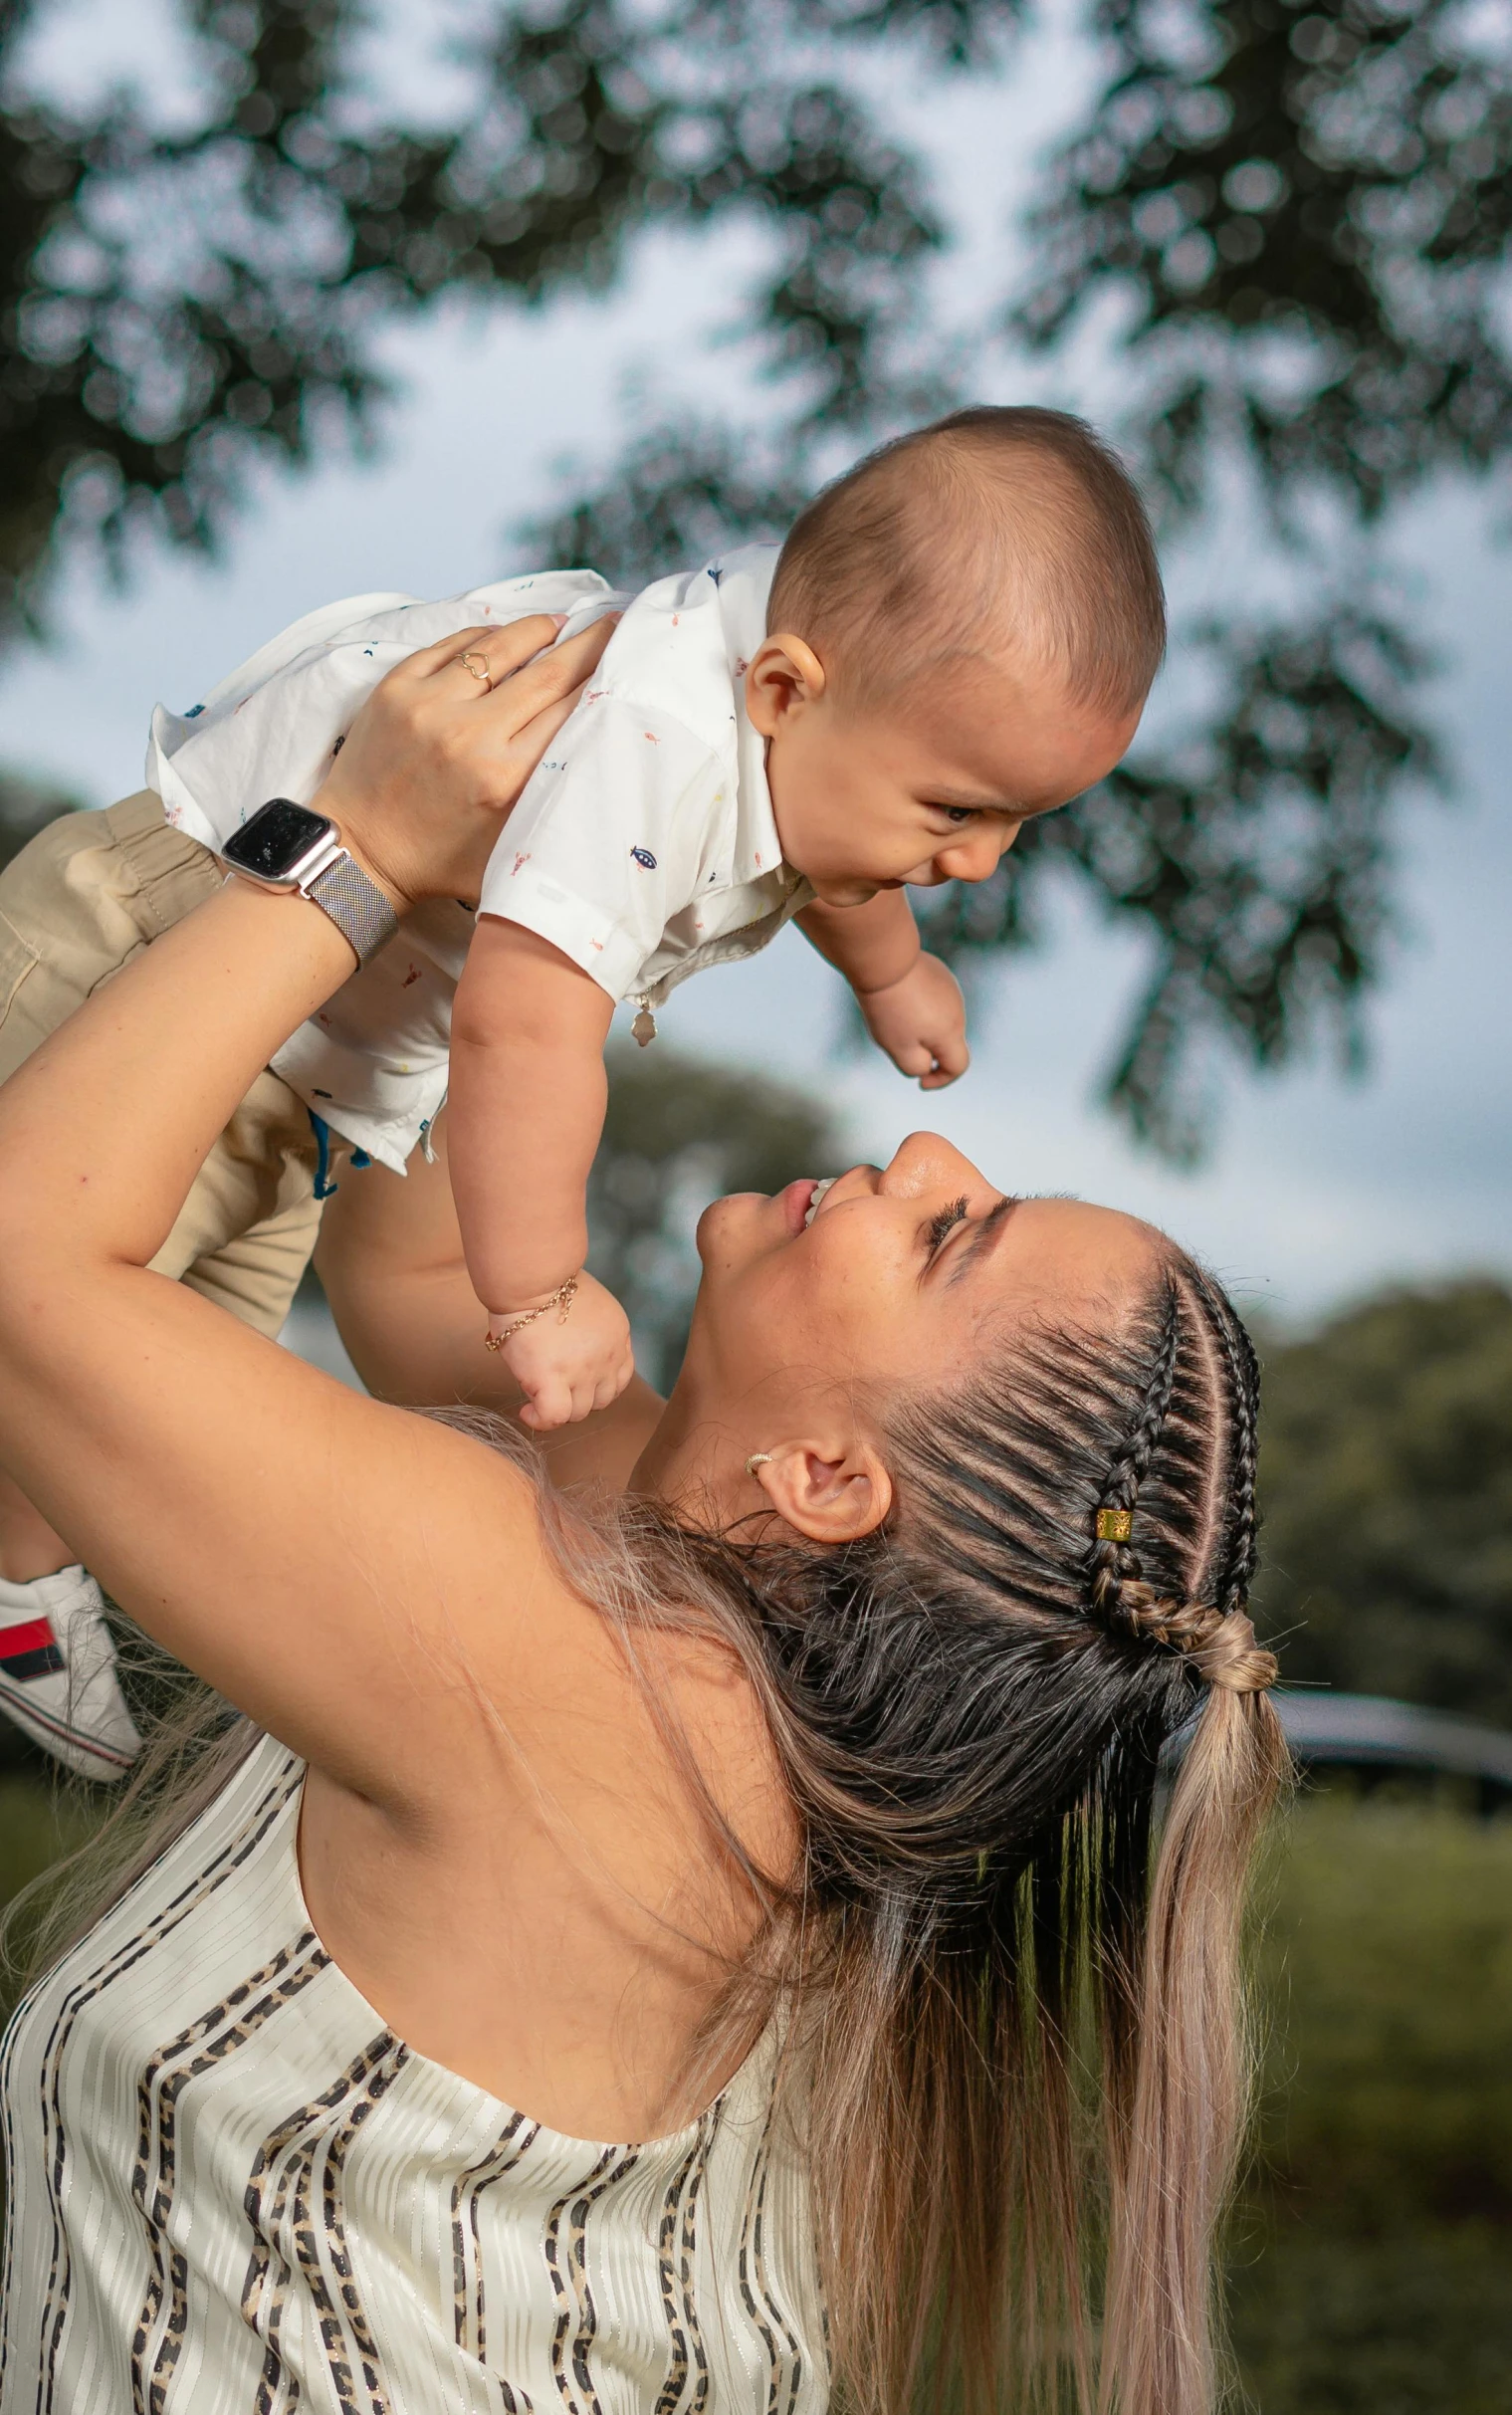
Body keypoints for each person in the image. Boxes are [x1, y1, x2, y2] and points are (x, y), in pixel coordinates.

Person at [0, 610, 1283, 2415]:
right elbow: (424, 1274)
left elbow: (23, 1268)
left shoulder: (586, 1686)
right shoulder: (718, 1653)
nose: (927, 1151)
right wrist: (516, 903)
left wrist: (346, 851)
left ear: (828, 1482)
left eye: (949, 1236)